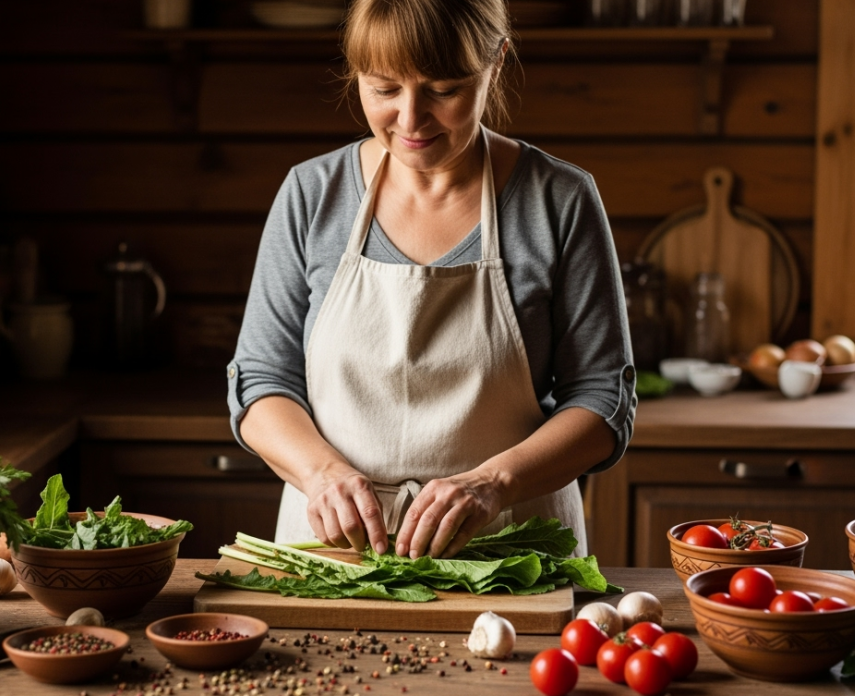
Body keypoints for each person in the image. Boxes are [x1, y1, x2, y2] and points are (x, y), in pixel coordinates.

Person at [226, 0, 635, 561]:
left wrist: (494, 484)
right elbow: (262, 380)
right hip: (333, 554)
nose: (411, 119)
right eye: (384, 89)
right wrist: (320, 473)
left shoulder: (558, 201)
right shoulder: (311, 195)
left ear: (496, 62)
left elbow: (603, 399)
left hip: (511, 554)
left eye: (443, 90)